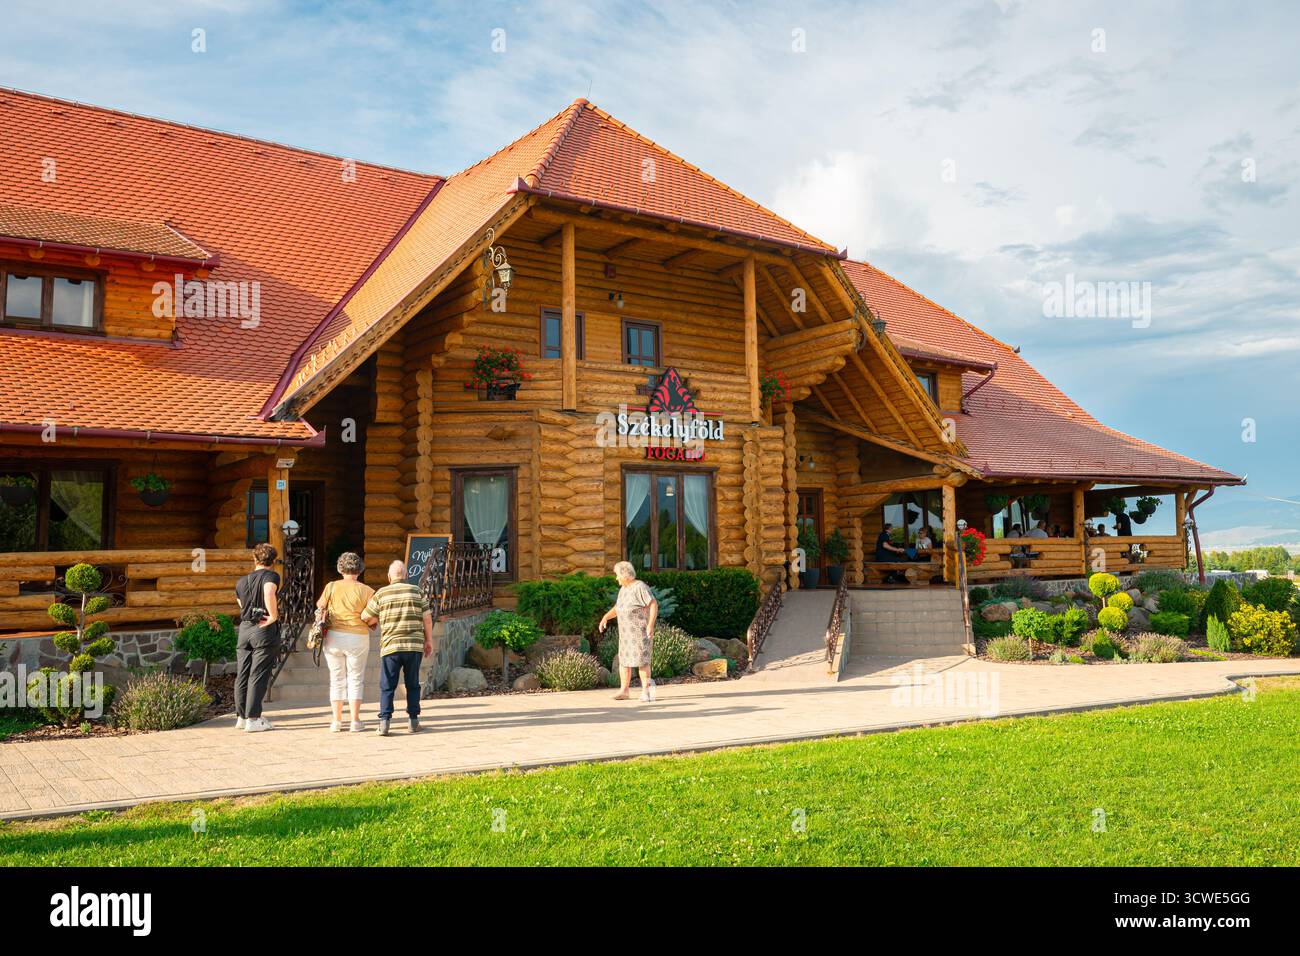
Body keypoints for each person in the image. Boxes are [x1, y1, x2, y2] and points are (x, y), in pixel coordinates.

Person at [361, 560, 434, 737]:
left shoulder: (381, 594)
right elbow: (427, 619)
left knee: (387, 685)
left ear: (389, 577)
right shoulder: (417, 591)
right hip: (413, 645)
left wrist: (378, 619)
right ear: (406, 575)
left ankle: (385, 722)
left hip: (391, 646)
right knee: (413, 683)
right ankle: (413, 721)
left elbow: (365, 616)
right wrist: (429, 640)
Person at [316, 552, 375, 733]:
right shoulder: (367, 590)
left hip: (334, 635)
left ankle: (336, 721)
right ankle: (355, 721)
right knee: (356, 678)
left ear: (340, 568)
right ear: (360, 569)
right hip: (358, 636)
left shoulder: (331, 586)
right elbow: (372, 616)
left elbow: (320, 605)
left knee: (336, 679)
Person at [234, 542, 280, 733]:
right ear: (273, 561)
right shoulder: (272, 576)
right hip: (263, 627)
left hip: (245, 628)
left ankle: (241, 717)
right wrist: (273, 615)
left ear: (254, 559)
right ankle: (253, 718)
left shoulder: (242, 581)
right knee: (258, 673)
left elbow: (240, 602)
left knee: (242, 673)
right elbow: (269, 590)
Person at [597, 561, 659, 702]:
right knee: (624, 661)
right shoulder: (624, 589)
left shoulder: (640, 587)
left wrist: (650, 625)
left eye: (618, 575)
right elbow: (618, 607)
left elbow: (653, 604)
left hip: (640, 632)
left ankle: (646, 692)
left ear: (625, 575)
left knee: (642, 662)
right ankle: (624, 691)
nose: (616, 578)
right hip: (626, 635)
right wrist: (605, 617)